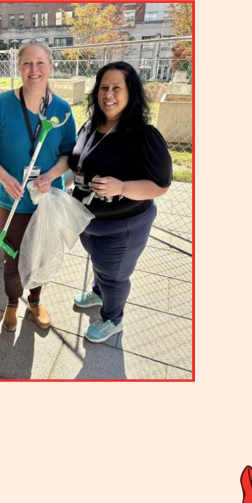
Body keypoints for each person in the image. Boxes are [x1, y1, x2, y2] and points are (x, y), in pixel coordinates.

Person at [69, 61, 173, 342]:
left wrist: (122, 186)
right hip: (88, 221)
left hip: (122, 227)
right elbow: (76, 164)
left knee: (114, 275)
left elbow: (160, 186)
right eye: (104, 87)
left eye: (117, 87)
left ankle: (113, 318)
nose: (108, 94)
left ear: (131, 94)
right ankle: (98, 292)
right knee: (100, 264)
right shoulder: (90, 126)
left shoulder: (142, 135)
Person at [0, 42, 77, 332]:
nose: (34, 70)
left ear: (50, 67)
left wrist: (51, 175)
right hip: (11, 199)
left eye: (40, 63)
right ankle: (12, 302)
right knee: (13, 254)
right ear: (18, 67)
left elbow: (68, 154)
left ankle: (35, 300)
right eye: (27, 63)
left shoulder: (61, 109)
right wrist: (4, 177)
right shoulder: (0, 105)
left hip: (46, 199)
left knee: (41, 253)